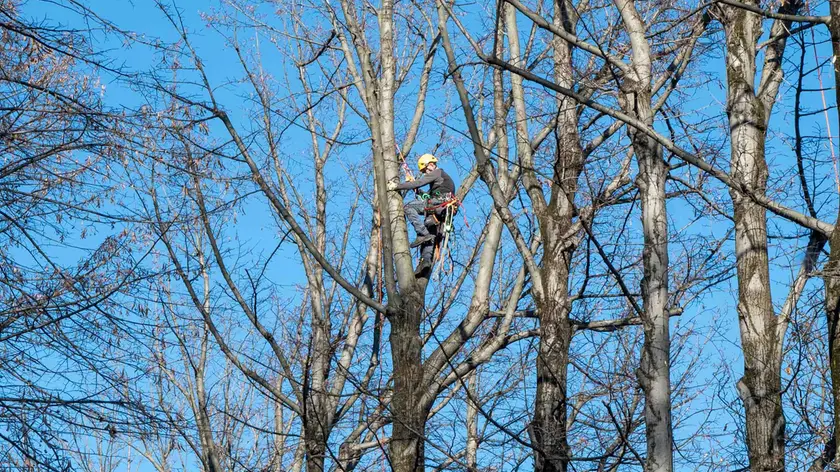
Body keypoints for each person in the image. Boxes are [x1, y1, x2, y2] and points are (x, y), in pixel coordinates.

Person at [387, 153, 456, 274]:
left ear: (430, 165)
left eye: (425, 170)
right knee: (430, 235)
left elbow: (419, 183)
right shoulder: (441, 180)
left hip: (440, 204)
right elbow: (427, 196)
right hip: (441, 210)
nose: (425, 173)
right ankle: (426, 262)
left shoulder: (437, 172)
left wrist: (397, 186)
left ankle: (422, 233)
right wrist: (417, 191)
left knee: (408, 206)